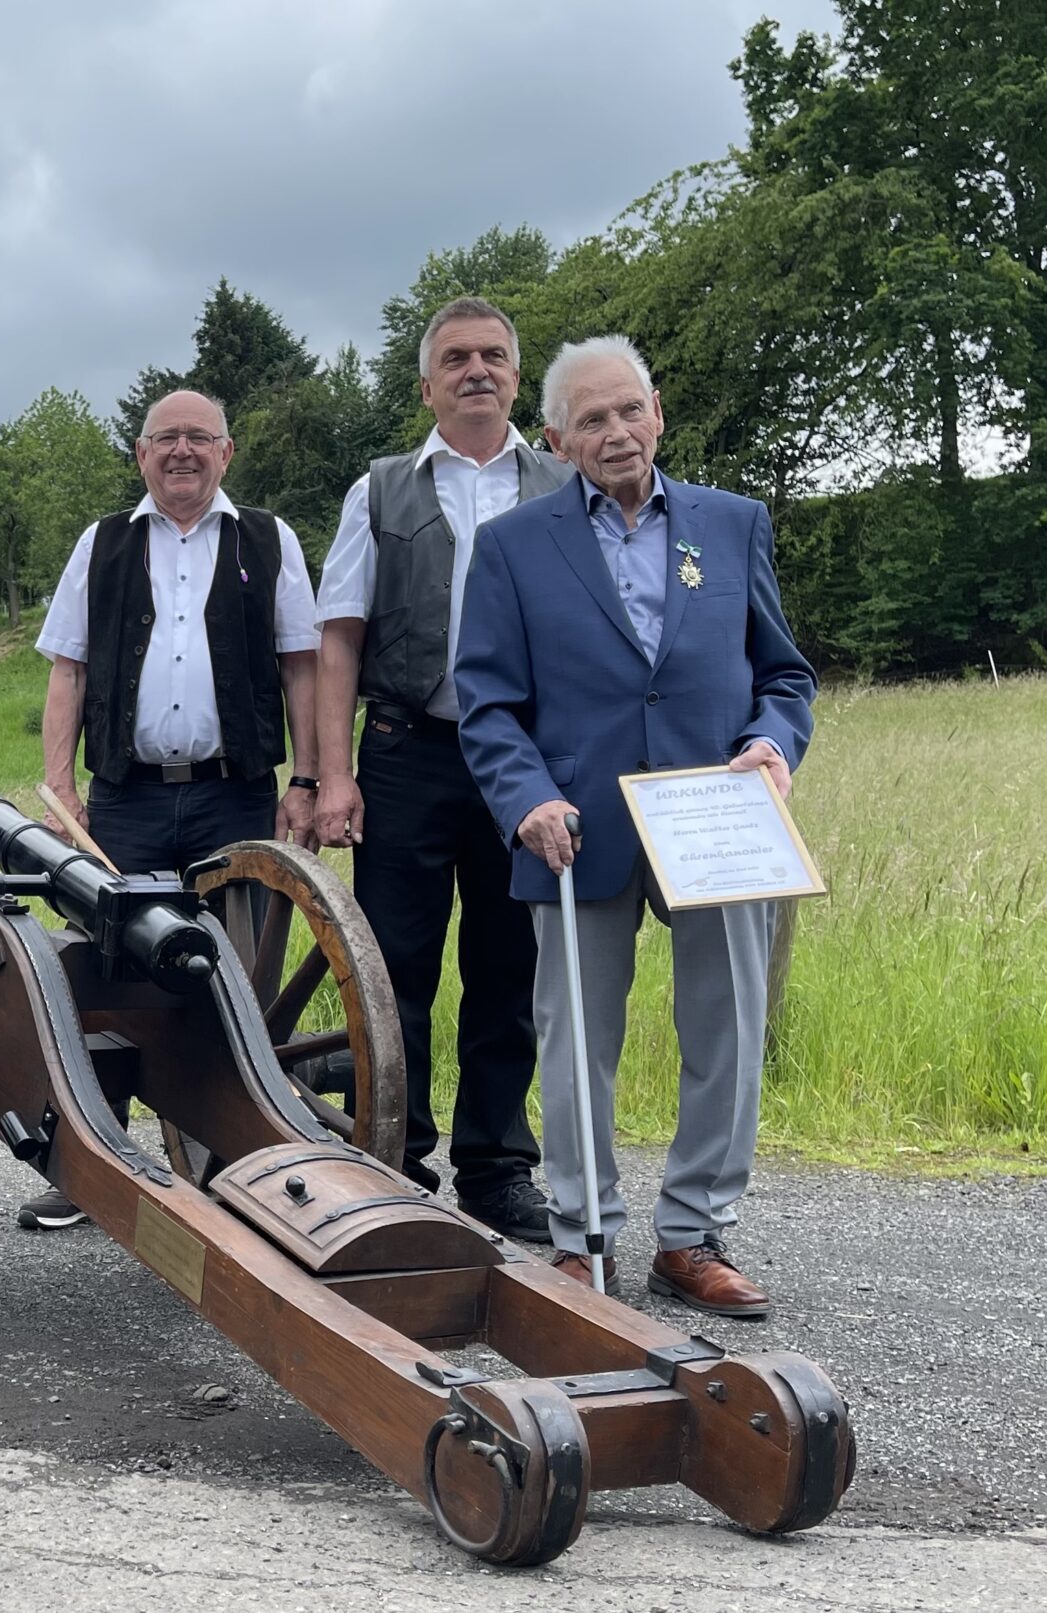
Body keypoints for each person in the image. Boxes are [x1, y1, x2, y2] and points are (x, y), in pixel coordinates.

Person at [453, 334, 816, 1319]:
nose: (616, 433)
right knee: (575, 1038)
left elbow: (782, 676)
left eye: (629, 411)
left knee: (728, 1029)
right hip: (576, 828)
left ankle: (692, 1236)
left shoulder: (732, 524)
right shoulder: (513, 545)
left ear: (657, 413)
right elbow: (484, 701)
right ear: (557, 438)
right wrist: (524, 797)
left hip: (716, 820)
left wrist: (774, 746)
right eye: (592, 420)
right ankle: (580, 1238)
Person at [28, 387, 322, 1229]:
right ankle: (94, 1163)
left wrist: (306, 780)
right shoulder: (104, 542)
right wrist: (61, 788)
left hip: (236, 794)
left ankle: (236, 1158)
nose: (183, 451)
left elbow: (301, 664)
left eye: (200, 437)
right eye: (167, 438)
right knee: (112, 975)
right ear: (141, 453)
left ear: (227, 453)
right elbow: (69, 670)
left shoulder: (267, 539)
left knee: (234, 978)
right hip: (127, 795)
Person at [311, 298, 573, 1242]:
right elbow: (338, 637)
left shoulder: (562, 483)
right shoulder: (379, 489)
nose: (476, 370)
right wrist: (333, 774)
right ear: (426, 384)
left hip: (527, 766)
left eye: (494, 356)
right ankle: (396, 1158)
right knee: (395, 970)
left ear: (517, 375)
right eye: (456, 358)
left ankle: (498, 1167)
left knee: (511, 968)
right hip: (407, 754)